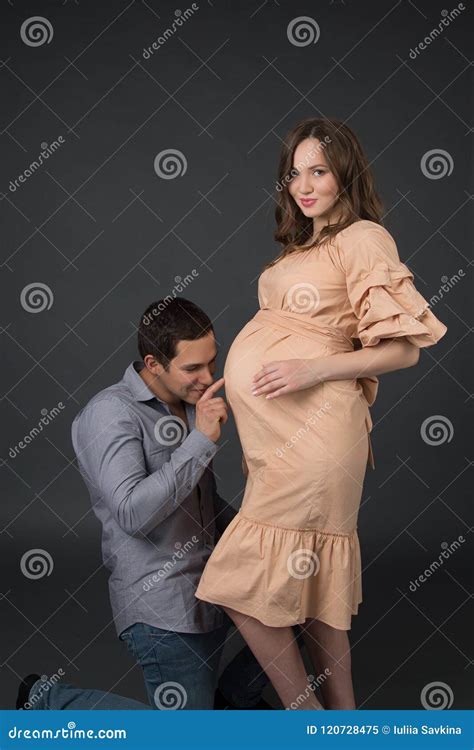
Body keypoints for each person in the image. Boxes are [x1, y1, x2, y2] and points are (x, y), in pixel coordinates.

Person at [195, 117, 448, 710]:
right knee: (313, 587)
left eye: (319, 171)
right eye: (295, 173)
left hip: (313, 436)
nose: (304, 185)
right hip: (280, 440)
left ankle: (303, 720)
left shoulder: (363, 238)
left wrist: (311, 371)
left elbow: (405, 348)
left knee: (238, 581)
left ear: (345, 175)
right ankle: (344, 723)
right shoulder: (303, 247)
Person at [17, 298, 275, 711]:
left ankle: (232, 700)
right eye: (192, 368)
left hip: (214, 588)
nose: (208, 378)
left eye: (212, 362)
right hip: (163, 608)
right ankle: (48, 701)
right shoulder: (109, 415)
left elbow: (200, 505)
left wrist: (261, 536)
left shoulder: (189, 405)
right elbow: (133, 513)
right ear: (153, 363)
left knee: (307, 607)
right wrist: (201, 441)